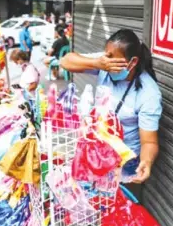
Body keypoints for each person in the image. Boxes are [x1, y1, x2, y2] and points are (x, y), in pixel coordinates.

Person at [60, 29, 162, 204]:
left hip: (122, 167)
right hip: (94, 155)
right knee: (89, 207)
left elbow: (149, 142)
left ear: (132, 62)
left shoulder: (149, 93)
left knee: (116, 210)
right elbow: (65, 61)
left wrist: (146, 161)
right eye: (105, 56)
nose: (107, 61)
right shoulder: (105, 63)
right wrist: (97, 63)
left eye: (111, 58)